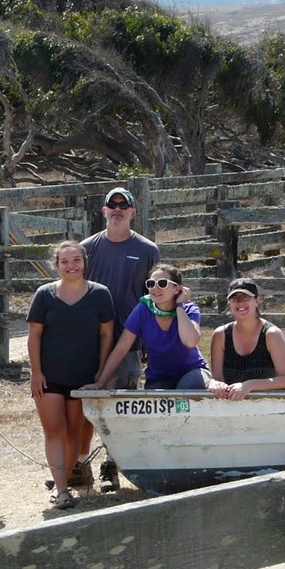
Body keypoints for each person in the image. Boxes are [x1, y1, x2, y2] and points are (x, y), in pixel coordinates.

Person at [81, 187, 160, 491]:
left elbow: (156, 297)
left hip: (130, 341)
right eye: (111, 205)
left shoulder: (147, 250)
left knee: (121, 406)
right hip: (89, 342)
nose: (116, 209)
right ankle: (79, 464)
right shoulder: (88, 249)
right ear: (103, 211)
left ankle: (111, 467)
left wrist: (150, 342)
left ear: (132, 212)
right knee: (88, 406)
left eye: (123, 205)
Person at [27, 241, 114, 510]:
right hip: (50, 377)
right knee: (54, 431)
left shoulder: (100, 294)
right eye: (64, 261)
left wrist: (101, 372)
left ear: (84, 262)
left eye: (76, 260)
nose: (71, 266)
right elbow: (34, 335)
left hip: (84, 377)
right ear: (56, 265)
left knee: (74, 432)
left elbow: (107, 334)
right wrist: (36, 372)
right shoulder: (44, 294)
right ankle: (62, 491)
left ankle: (67, 475)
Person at [91, 263, 210, 391]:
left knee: (185, 391)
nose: (155, 288)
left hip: (192, 371)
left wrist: (179, 306)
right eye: (151, 284)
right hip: (159, 377)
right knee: (155, 402)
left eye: (162, 283)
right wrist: (101, 383)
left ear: (177, 289)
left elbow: (190, 341)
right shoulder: (143, 309)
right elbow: (121, 348)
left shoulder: (189, 309)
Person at [207, 278, 285, 400]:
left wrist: (249, 385)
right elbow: (217, 378)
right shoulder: (220, 335)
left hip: (268, 405)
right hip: (229, 406)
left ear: (257, 300)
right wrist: (216, 384)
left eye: (245, 297)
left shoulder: (271, 334)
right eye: (234, 298)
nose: (240, 303)